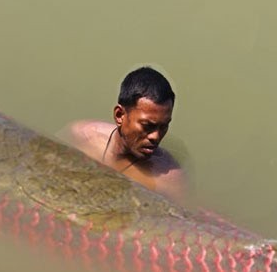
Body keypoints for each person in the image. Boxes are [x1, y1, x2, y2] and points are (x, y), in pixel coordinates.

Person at [64, 66, 188, 202]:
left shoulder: (169, 178)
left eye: (164, 126)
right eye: (148, 126)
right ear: (119, 115)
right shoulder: (84, 137)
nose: (156, 137)